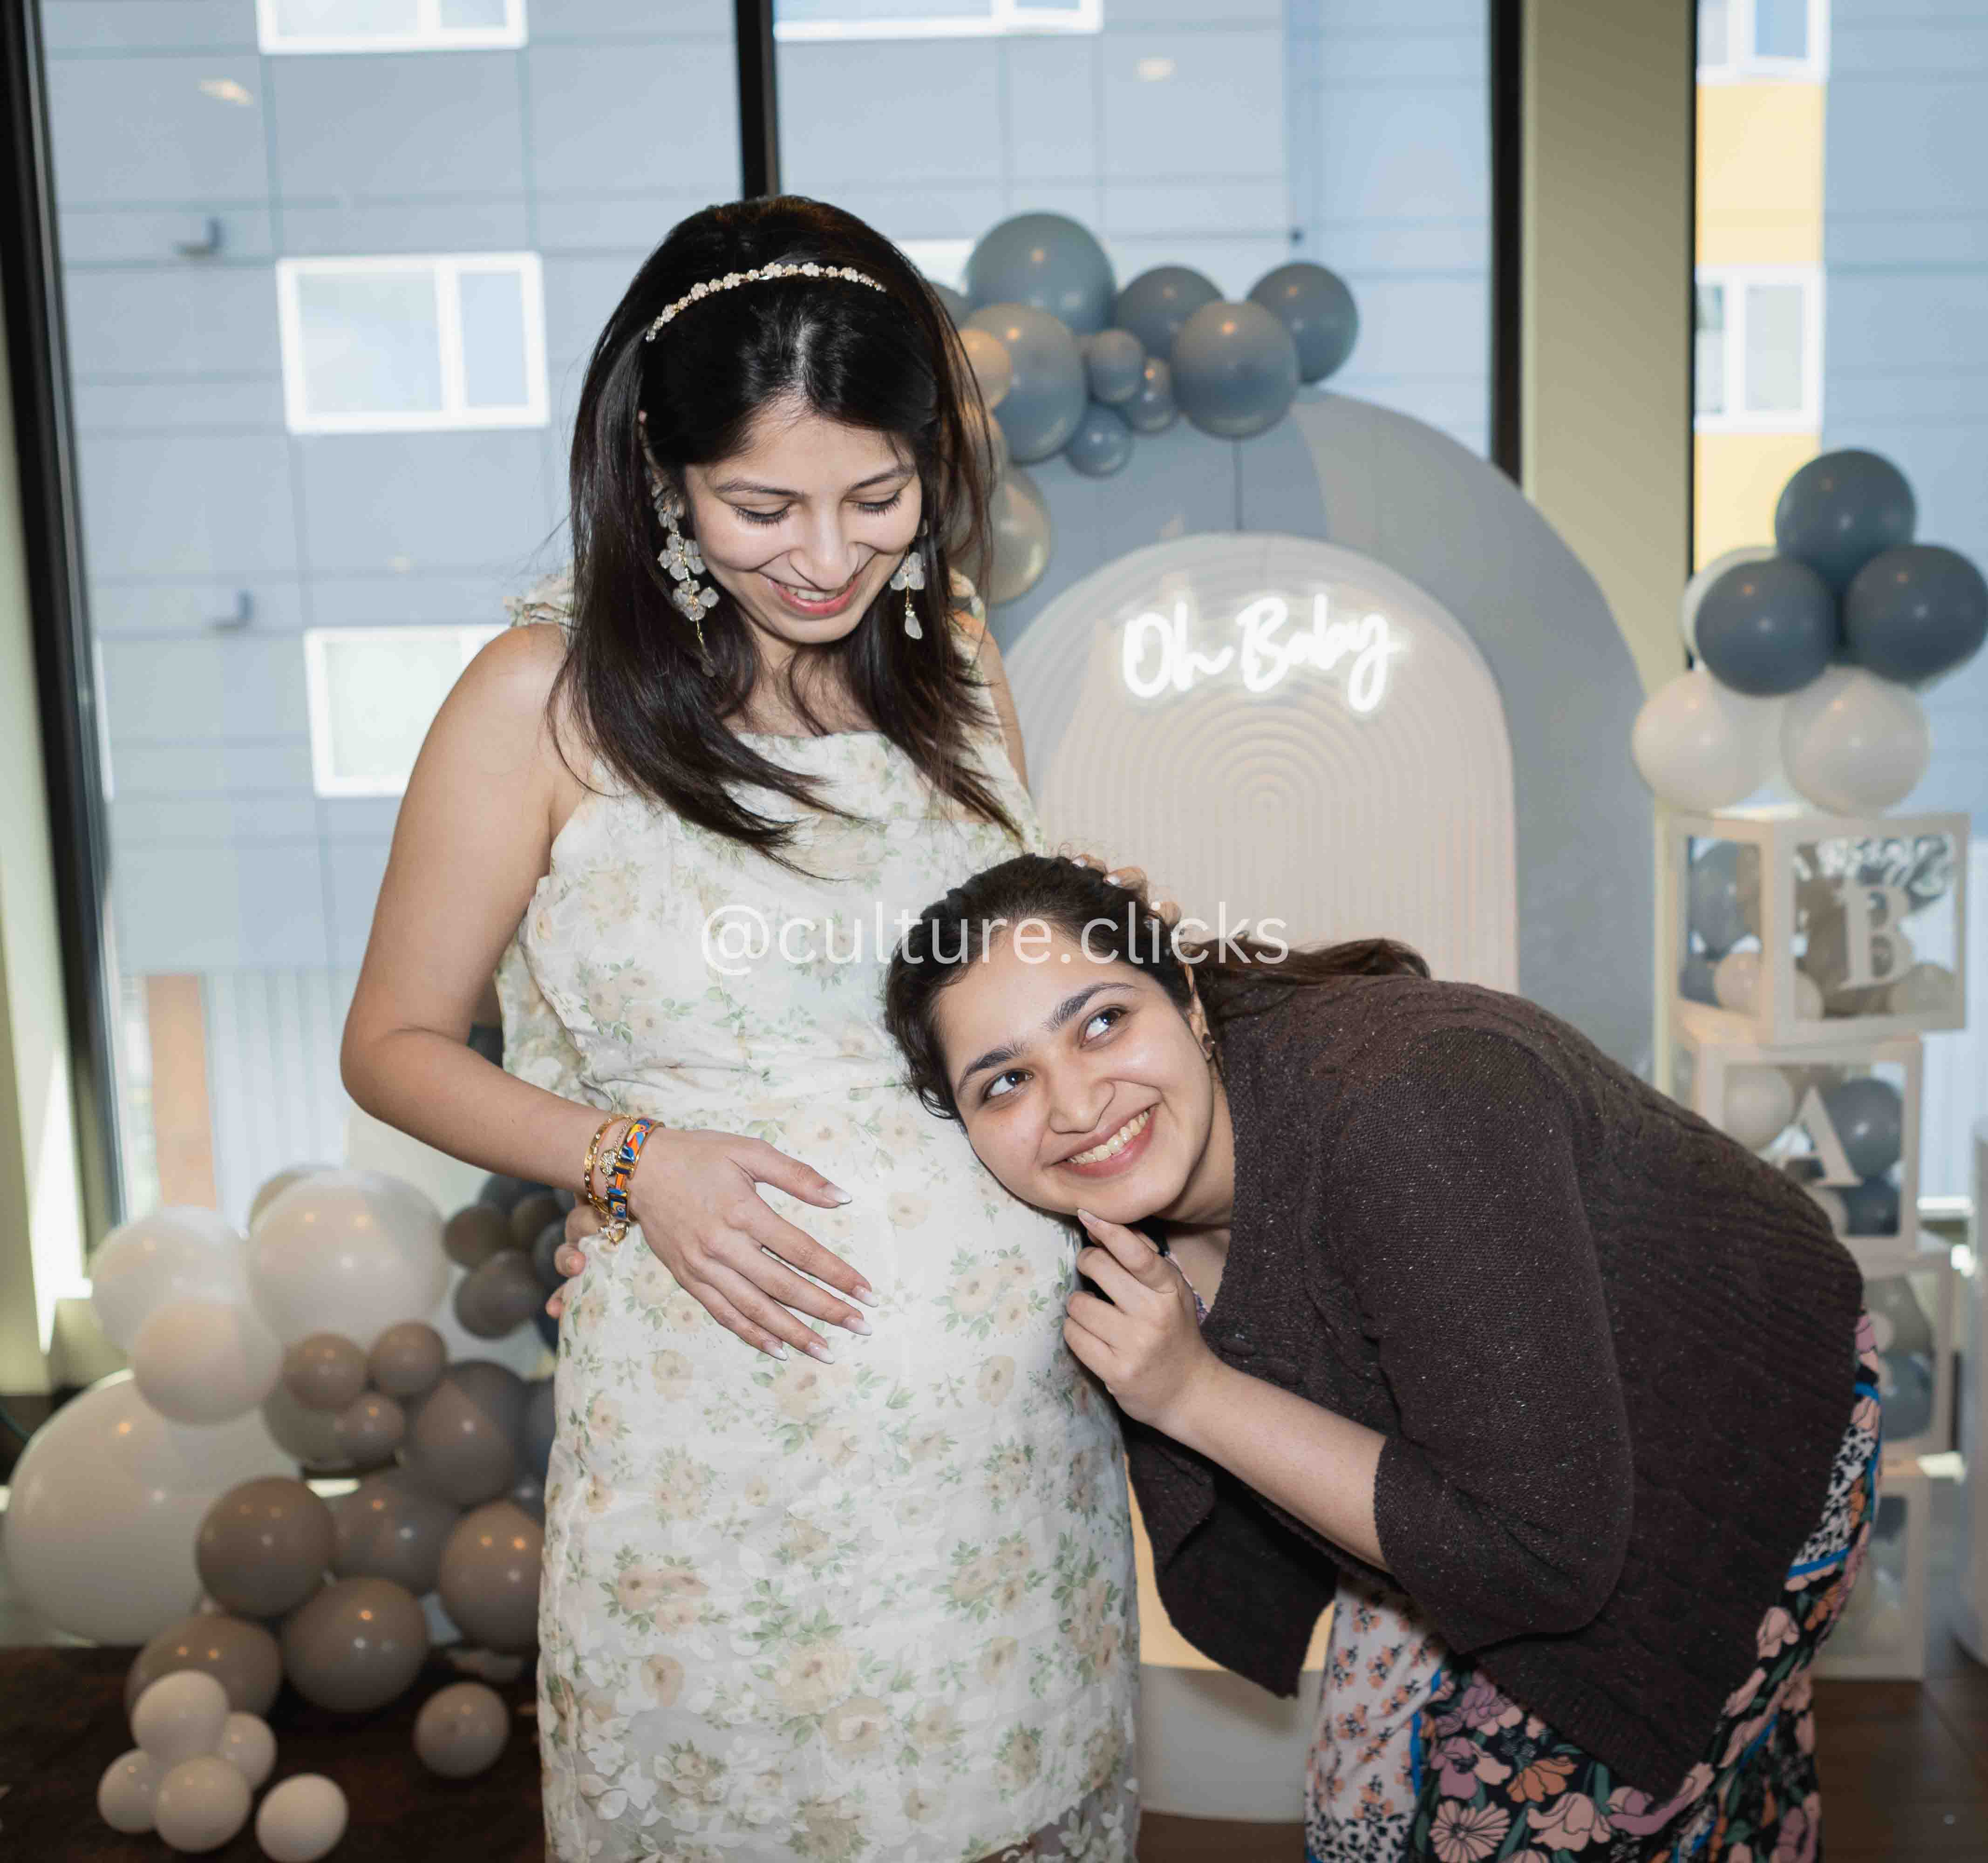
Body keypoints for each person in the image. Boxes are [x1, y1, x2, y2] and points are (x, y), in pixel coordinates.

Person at [341, 198, 1137, 1863]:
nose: (828, 557)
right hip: (723, 1458)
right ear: (661, 473)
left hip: (1007, 1461)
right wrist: (628, 1162)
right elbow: (394, 1042)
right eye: (762, 506)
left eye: (877, 497)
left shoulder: (950, 657)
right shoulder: (537, 698)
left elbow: (985, 1007)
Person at [878, 852, 1878, 1863]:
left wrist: (1192, 1393)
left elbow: (1541, 1557)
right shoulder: (1113, 1190)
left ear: (1185, 995)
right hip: (1496, 1473)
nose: (1076, 1105)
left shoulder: (1413, 1108)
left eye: (1100, 1022)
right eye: (1007, 1080)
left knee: (1519, 1815)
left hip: (1740, 1408)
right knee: (1364, 1813)